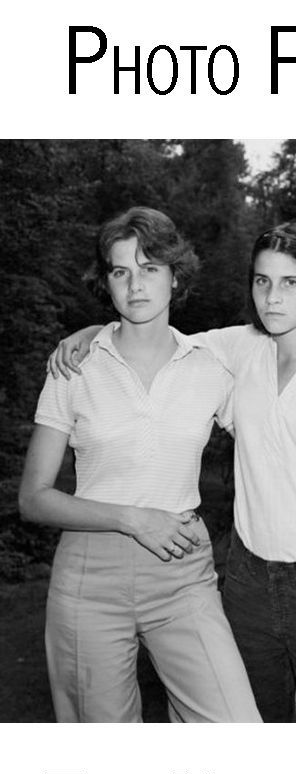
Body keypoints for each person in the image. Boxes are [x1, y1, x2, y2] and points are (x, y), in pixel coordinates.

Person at [48, 221, 296, 723]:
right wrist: (92, 333)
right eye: (261, 281)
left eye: (290, 282)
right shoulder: (243, 350)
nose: (272, 297)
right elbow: (158, 337)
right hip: (248, 583)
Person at [20, 207, 261, 723]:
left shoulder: (210, 365)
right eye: (120, 270)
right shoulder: (75, 366)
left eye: (149, 268)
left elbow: (278, 440)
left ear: (176, 276)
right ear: (105, 281)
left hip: (182, 570)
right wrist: (131, 517)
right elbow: (34, 497)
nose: (135, 285)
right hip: (90, 575)